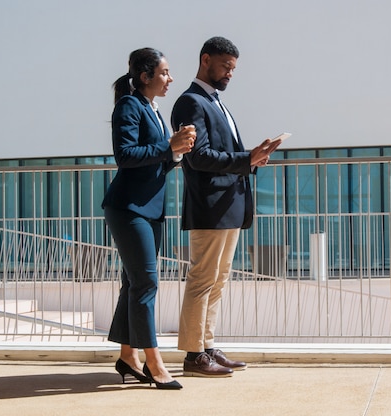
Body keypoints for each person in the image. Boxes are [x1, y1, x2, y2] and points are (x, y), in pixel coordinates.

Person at [171, 36, 281, 377]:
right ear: (206, 60)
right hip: (210, 206)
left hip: (228, 205)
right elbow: (199, 157)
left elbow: (222, 155)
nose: (230, 74)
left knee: (217, 281)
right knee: (203, 279)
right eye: (226, 67)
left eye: (233, 68)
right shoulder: (191, 102)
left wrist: (251, 159)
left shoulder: (214, 102)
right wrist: (245, 158)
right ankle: (193, 355)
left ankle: (207, 346)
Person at [102, 47, 196, 389]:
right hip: (129, 208)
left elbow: (155, 159)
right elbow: (125, 155)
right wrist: (168, 146)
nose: (170, 78)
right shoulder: (129, 105)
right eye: (165, 73)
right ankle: (154, 363)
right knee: (146, 285)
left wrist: (176, 152)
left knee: (134, 283)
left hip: (150, 209)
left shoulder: (152, 109)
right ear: (145, 77)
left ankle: (129, 357)